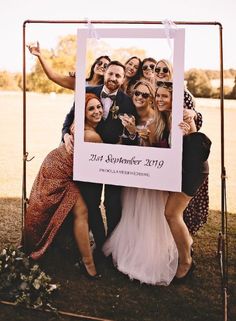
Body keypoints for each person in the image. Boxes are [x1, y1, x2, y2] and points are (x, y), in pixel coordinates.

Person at [103, 80, 179, 286]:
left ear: (151, 99)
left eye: (145, 95)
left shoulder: (157, 119)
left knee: (149, 219)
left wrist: (135, 134)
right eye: (137, 93)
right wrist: (129, 133)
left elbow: (153, 148)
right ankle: (129, 250)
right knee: (131, 215)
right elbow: (124, 144)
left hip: (151, 182)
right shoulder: (130, 115)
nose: (139, 97)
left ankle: (147, 258)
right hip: (132, 178)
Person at [60, 61, 138, 261]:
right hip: (89, 160)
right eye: (111, 74)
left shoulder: (128, 101)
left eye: (118, 76)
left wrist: (129, 136)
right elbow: (69, 120)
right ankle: (100, 243)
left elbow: (132, 136)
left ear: (123, 79)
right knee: (91, 203)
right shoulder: (87, 91)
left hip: (114, 162)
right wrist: (66, 136)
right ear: (105, 74)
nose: (113, 78)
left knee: (113, 204)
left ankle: (112, 247)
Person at [23, 93, 104, 279]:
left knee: (77, 211)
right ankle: (88, 263)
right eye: (91, 108)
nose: (97, 111)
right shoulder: (92, 135)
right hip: (58, 171)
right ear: (82, 113)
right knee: (81, 211)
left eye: (99, 106)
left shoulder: (80, 127)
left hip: (58, 165)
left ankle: (79, 256)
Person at [153, 82, 210, 281]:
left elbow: (197, 146)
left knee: (171, 213)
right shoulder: (163, 117)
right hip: (178, 170)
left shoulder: (184, 115)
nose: (160, 99)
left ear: (173, 99)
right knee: (172, 214)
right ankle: (183, 252)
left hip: (192, 170)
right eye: (157, 95)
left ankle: (186, 262)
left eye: (164, 96)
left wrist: (188, 133)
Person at [155, 59, 209, 236]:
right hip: (169, 158)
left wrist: (191, 116)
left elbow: (193, 121)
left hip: (188, 162)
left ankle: (185, 252)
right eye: (157, 69)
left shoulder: (182, 94)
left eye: (165, 69)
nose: (160, 72)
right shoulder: (154, 92)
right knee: (171, 210)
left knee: (176, 211)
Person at [27, 42, 111, 89]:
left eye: (106, 66)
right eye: (99, 63)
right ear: (94, 65)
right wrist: (40, 56)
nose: (102, 66)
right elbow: (52, 76)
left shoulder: (108, 88)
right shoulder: (80, 83)